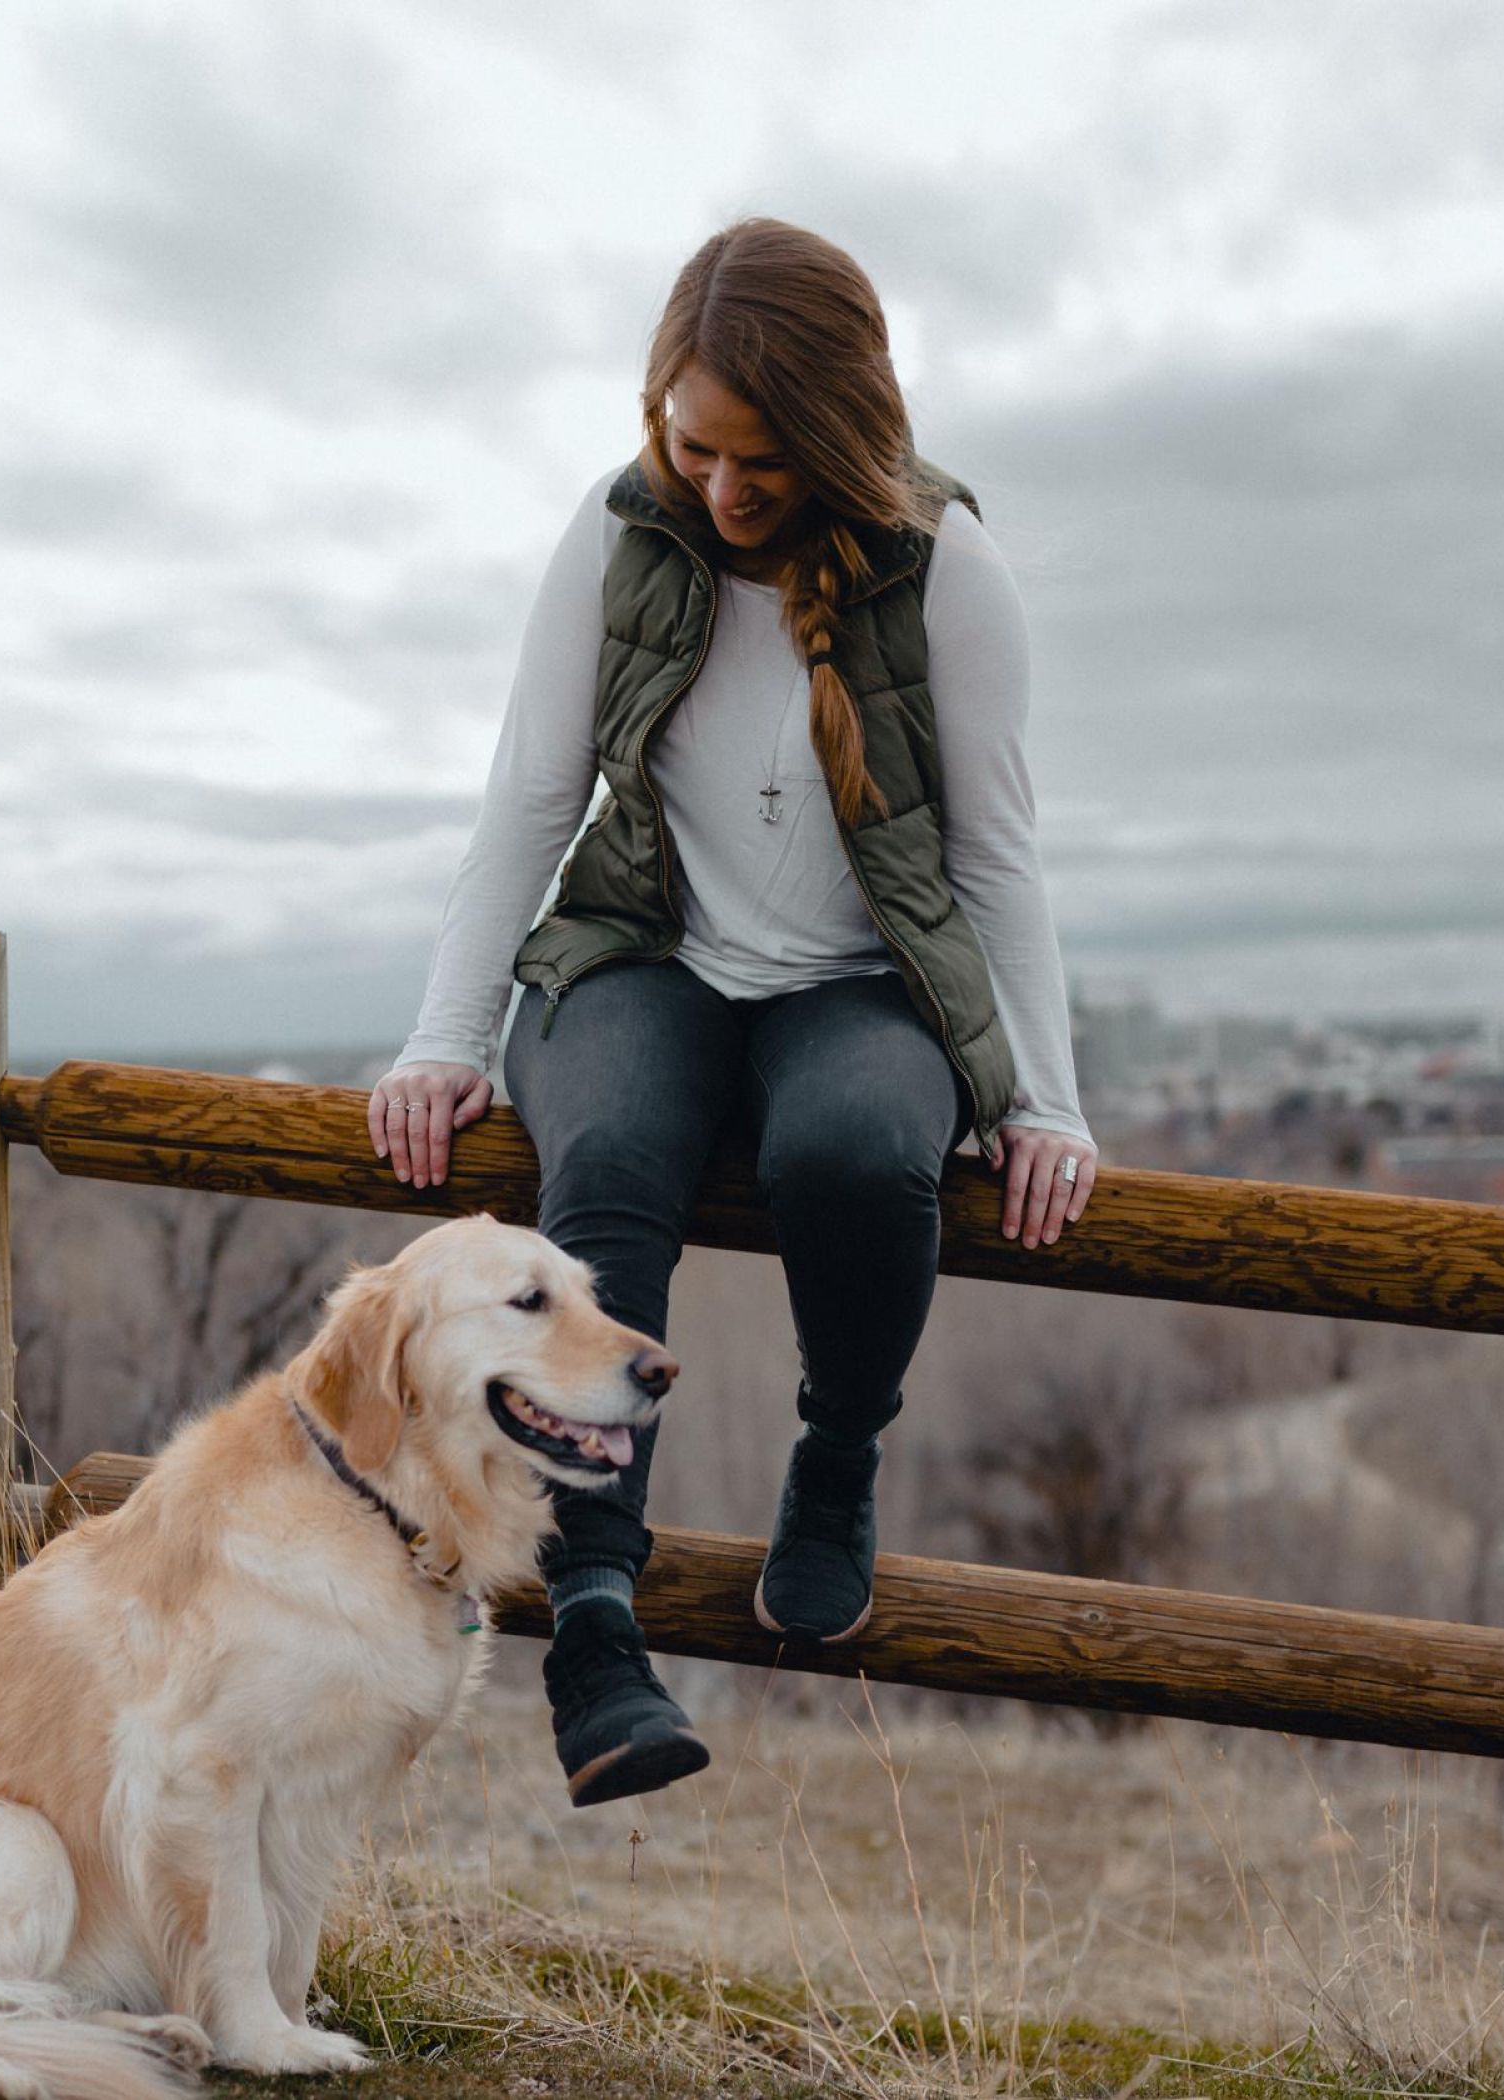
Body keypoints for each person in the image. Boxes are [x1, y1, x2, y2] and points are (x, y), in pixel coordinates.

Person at [366, 218, 1097, 1808]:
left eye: (761, 460)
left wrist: (1046, 1097)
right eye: (692, 445)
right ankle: (594, 1620)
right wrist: (442, 1037)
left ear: (842, 433)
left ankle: (837, 1459)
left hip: (858, 988)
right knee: (614, 1159)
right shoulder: (623, 532)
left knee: (854, 1152)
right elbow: (531, 793)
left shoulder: (947, 573)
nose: (721, 488)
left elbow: (996, 850)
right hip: (641, 954)